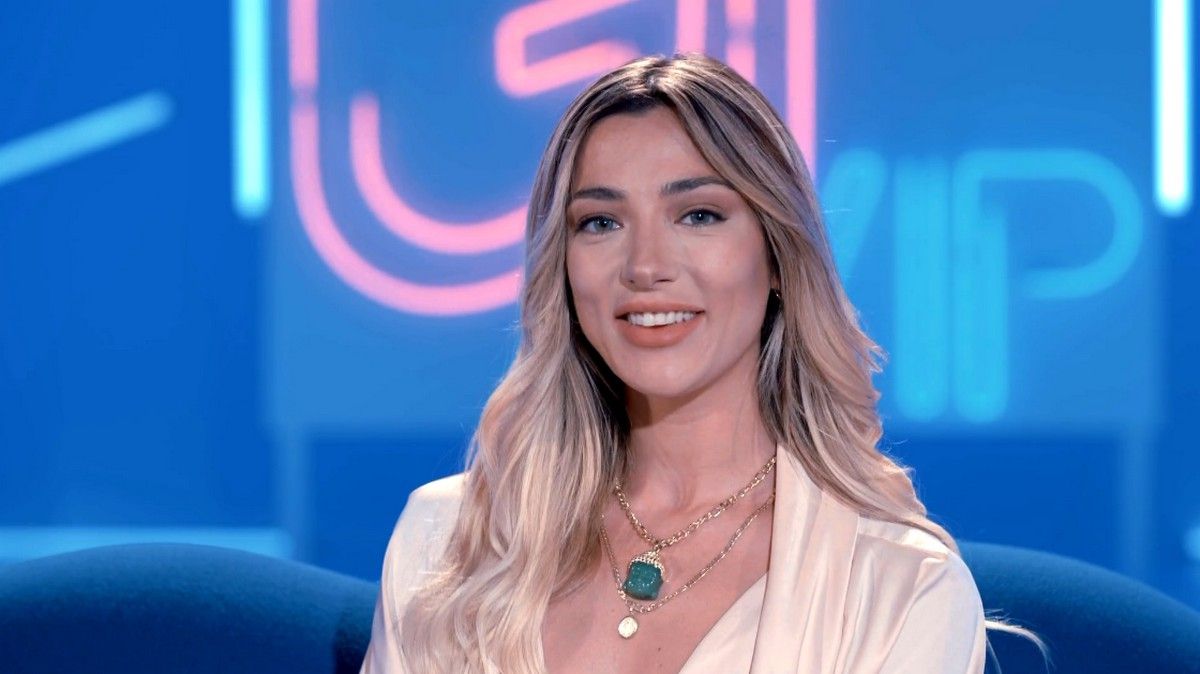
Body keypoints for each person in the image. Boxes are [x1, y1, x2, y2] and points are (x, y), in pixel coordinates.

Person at [359, 53, 1045, 673]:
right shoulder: (446, 544)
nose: (646, 266)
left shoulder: (899, 591)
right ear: (562, 269)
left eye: (698, 215)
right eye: (600, 223)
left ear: (776, 256)